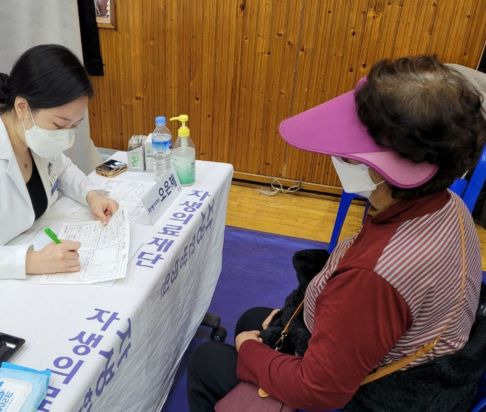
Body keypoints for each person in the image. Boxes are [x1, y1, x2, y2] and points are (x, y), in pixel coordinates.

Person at [187, 56, 486, 411]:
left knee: (209, 362)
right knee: (254, 318)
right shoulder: (448, 204)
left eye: (355, 156)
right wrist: (295, 315)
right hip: (422, 359)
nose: (345, 160)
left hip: (384, 395)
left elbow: (319, 390)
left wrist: (249, 351)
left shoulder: (374, 278)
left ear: (387, 168)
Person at [0, 44, 118, 298]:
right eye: (59, 124)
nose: (66, 136)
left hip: (26, 272)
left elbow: (62, 168)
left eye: (75, 125)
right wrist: (29, 261)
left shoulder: (33, 136)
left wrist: (91, 195)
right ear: (22, 107)